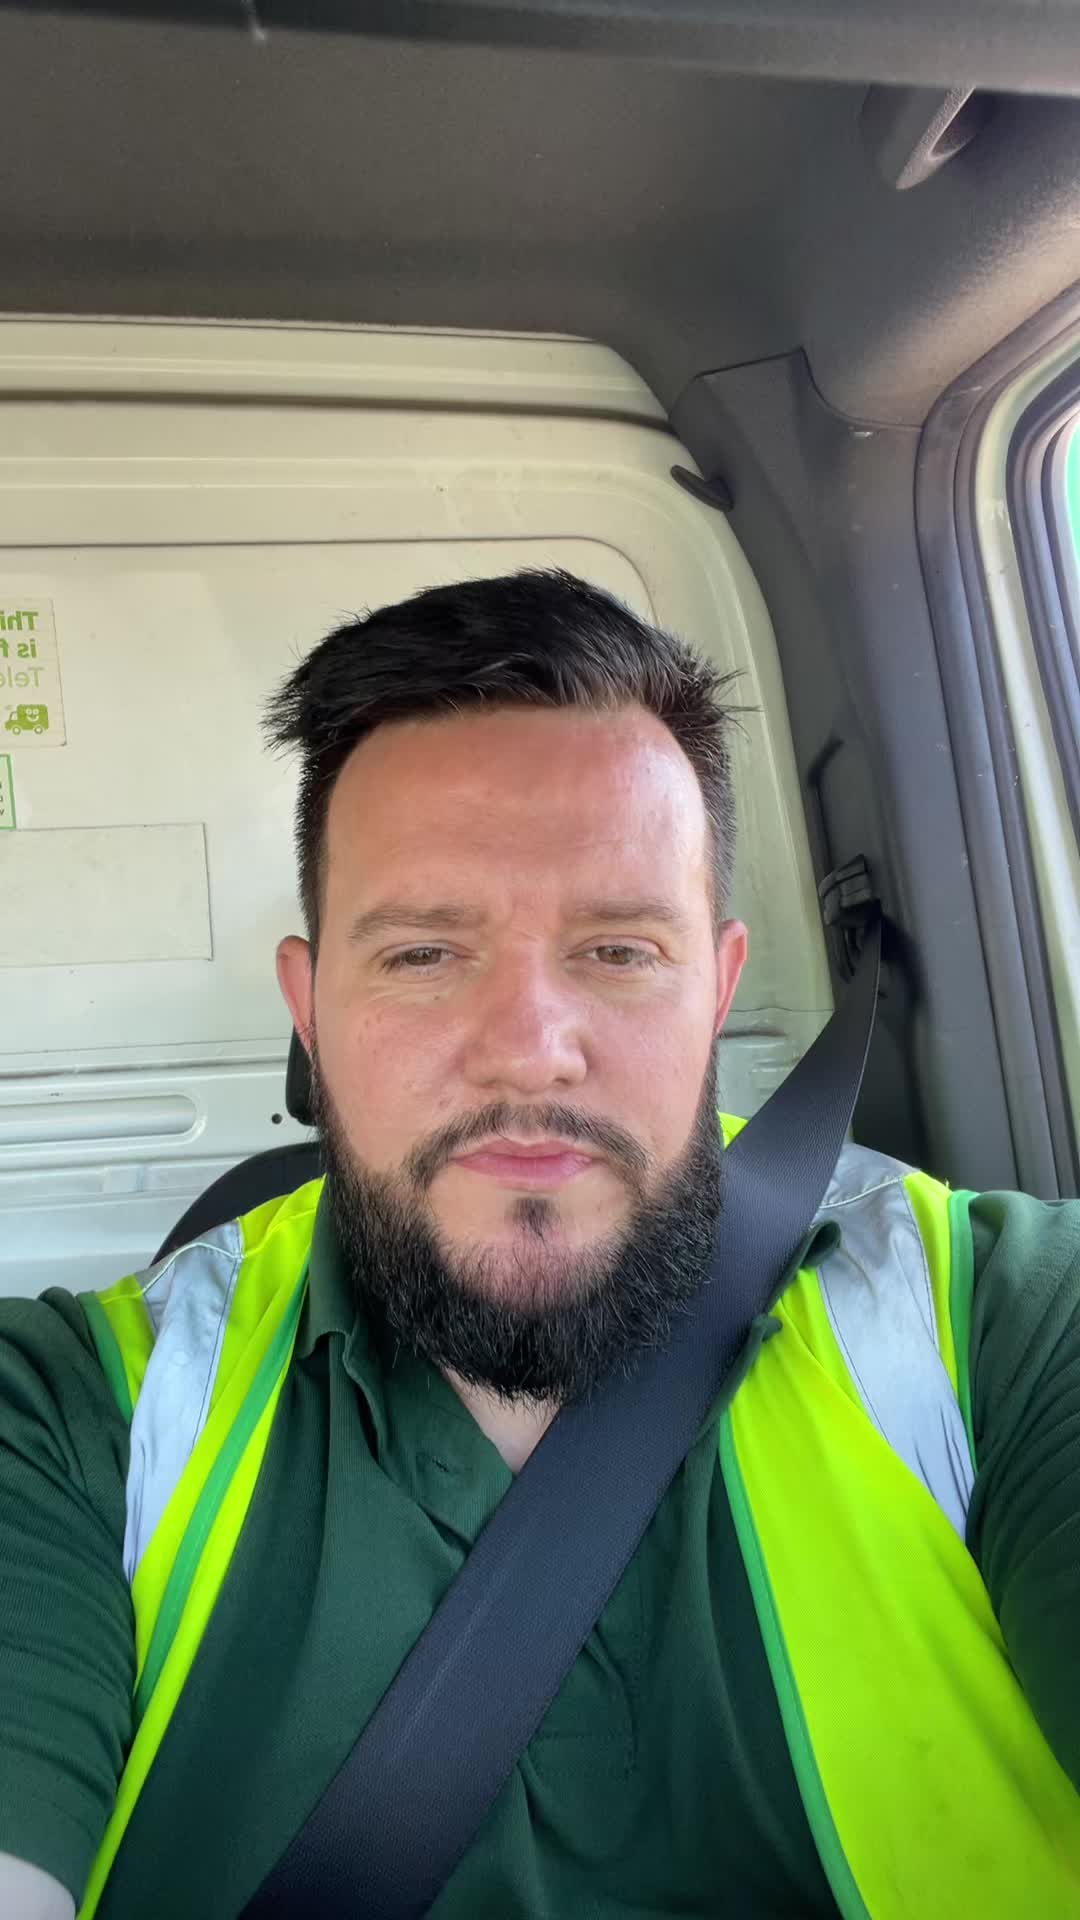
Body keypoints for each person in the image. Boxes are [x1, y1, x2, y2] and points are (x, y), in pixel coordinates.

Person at [2, 569, 1079, 1920]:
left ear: (718, 989)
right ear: (310, 1007)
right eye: (422, 955)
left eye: (619, 950)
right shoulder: (66, 1422)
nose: (527, 1049)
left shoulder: (1005, 1323)